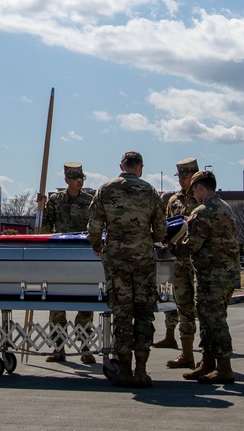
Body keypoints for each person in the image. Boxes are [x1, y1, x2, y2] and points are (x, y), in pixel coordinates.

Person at [87, 151, 166, 388]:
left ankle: (124, 370)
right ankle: (141, 370)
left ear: (121, 166)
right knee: (143, 313)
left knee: (122, 313)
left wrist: (97, 245)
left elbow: (94, 224)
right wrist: (146, 238)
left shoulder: (106, 190)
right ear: (140, 168)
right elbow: (161, 230)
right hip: (143, 261)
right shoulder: (150, 192)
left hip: (117, 261)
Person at [179, 169, 240, 385]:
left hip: (211, 274)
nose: (193, 195)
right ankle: (207, 363)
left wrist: (170, 248)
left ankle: (224, 367)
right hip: (226, 272)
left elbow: (192, 245)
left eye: (194, 190)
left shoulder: (203, 211)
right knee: (209, 318)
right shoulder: (225, 208)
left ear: (201, 187)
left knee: (214, 321)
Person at [39, 162, 96, 364]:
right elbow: (45, 229)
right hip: (59, 257)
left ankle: (85, 346)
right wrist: (42, 209)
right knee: (56, 303)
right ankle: (58, 347)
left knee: (86, 303)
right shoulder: (55, 201)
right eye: (75, 178)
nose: (79, 181)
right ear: (66, 180)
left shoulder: (90, 201)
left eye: (81, 178)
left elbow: (95, 228)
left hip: (82, 257)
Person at [161, 157, 201, 369]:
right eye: (180, 177)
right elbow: (168, 226)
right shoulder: (174, 200)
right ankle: (186, 352)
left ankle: (207, 346)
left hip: (201, 260)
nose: (181, 181)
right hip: (179, 261)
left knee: (203, 305)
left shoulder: (204, 198)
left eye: (185, 177)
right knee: (181, 304)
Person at [153, 186, 180, 351]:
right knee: (167, 299)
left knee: (172, 299)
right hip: (165, 264)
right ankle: (170, 335)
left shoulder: (172, 221)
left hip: (172, 264)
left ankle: (171, 336)